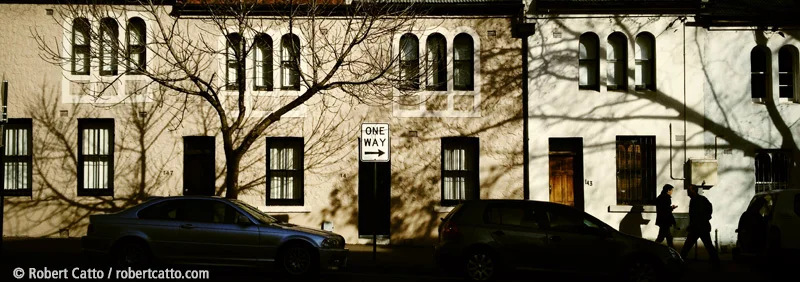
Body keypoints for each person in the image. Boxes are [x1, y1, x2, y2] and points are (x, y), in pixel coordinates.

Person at [680, 184, 720, 269]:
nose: (687, 191)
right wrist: (707, 218)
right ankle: (716, 261)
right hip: (701, 226)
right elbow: (708, 208)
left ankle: (679, 261)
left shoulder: (697, 200)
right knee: (707, 245)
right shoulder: (699, 199)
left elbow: (697, 214)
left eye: (689, 190)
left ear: (694, 191)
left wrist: (695, 223)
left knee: (688, 245)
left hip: (698, 227)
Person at [655, 184, 677, 249]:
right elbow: (666, 210)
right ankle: (653, 248)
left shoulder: (660, 197)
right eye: (671, 190)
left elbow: (663, 208)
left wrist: (670, 208)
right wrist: (671, 208)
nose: (672, 192)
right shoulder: (667, 198)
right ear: (668, 190)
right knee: (661, 237)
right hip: (665, 220)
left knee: (668, 237)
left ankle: (672, 249)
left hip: (661, 220)